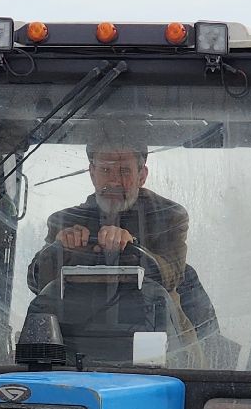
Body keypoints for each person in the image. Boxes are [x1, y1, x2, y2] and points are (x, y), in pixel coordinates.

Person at [26, 139, 223, 362]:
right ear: (92, 173)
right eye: (106, 170)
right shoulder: (64, 221)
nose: (114, 180)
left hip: (158, 340)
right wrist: (59, 249)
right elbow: (37, 283)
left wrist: (131, 247)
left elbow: (172, 276)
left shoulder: (169, 216)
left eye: (124, 171)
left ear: (142, 175)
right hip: (71, 343)